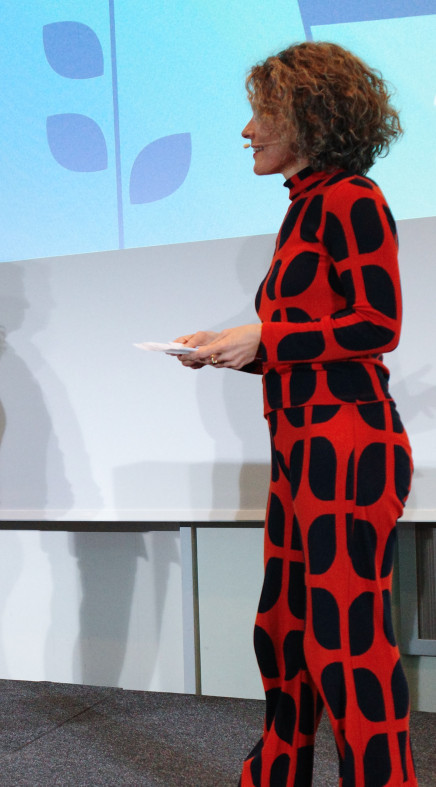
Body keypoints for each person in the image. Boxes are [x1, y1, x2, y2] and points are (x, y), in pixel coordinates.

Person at [176, 43, 411, 785]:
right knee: (284, 627)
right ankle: (278, 771)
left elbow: (378, 324)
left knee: (347, 642)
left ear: (308, 116)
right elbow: (314, 345)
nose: (247, 130)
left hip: (349, 443)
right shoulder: (306, 207)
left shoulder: (353, 200)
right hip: (304, 445)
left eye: (261, 113)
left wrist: (266, 338)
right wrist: (234, 349)